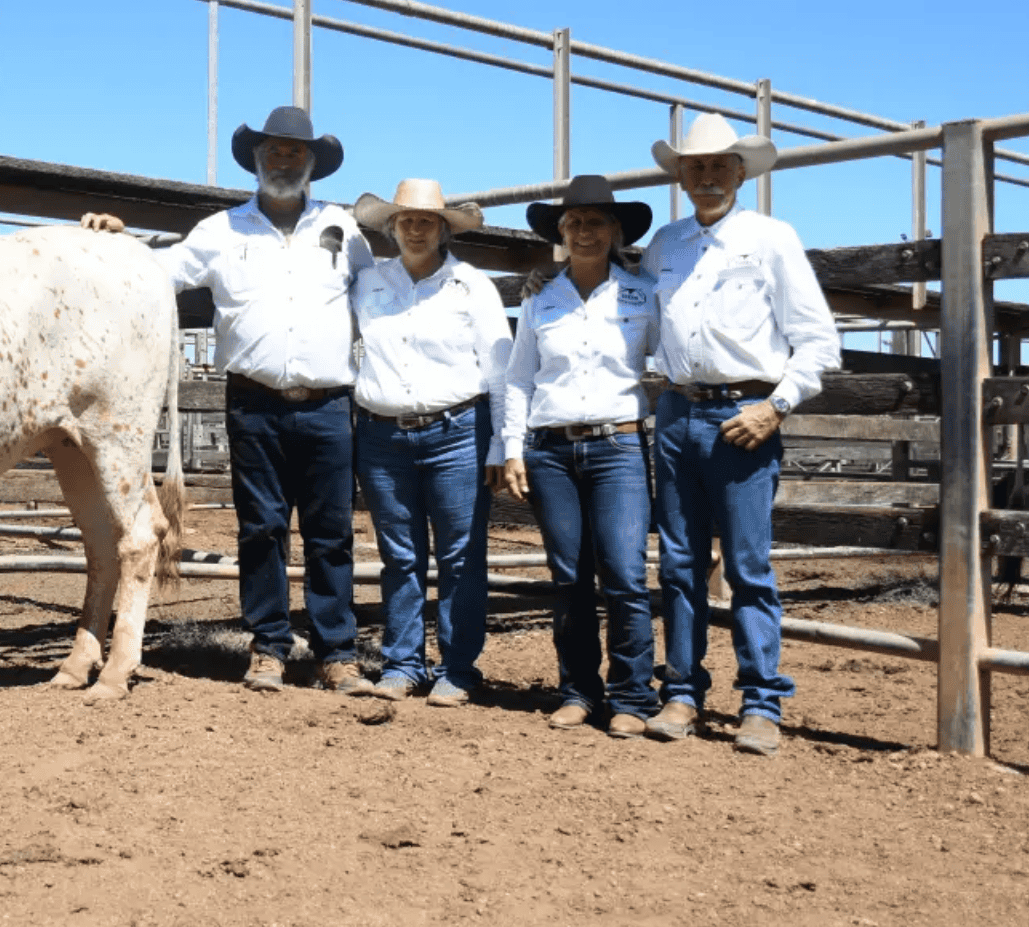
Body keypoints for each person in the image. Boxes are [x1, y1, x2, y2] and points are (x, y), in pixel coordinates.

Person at [85, 106, 376, 694]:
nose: (283, 159)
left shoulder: (346, 231)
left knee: (331, 531)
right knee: (261, 527)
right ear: (257, 159)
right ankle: (268, 646)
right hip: (255, 402)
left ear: (313, 163)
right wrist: (117, 243)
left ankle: (336, 653)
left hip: (329, 404)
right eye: (274, 150)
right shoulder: (220, 231)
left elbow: (376, 298)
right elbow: (160, 270)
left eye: (295, 151)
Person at [640, 113, 841, 756]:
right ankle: (682, 692)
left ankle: (761, 700)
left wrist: (775, 406)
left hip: (743, 418)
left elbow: (817, 342)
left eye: (717, 166)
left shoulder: (772, 239)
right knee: (678, 563)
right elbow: (638, 321)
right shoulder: (664, 246)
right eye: (693, 166)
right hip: (675, 415)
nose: (705, 176)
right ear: (680, 176)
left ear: (740, 172)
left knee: (748, 566)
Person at [500, 175, 659, 737]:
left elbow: (670, 358)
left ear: (615, 231)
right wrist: (513, 448)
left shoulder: (643, 294)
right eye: (574, 223)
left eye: (596, 222)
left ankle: (633, 697)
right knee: (568, 577)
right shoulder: (542, 299)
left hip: (618, 443)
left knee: (623, 571)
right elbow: (519, 377)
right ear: (560, 233)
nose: (585, 231)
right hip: (551, 450)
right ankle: (578, 690)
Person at [348, 179, 510, 704]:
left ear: (443, 230)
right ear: (392, 228)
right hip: (381, 434)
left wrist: (502, 443)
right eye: (406, 221)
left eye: (426, 222)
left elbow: (499, 367)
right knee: (399, 553)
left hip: (457, 431)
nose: (415, 230)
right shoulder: (367, 283)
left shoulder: (471, 286)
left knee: (461, 554)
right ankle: (403, 663)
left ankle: (458, 667)